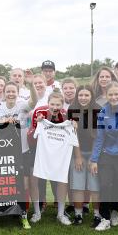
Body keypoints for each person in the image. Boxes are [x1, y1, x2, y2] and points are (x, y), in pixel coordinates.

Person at [0, 81, 34, 229]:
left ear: (17, 92)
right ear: (4, 93)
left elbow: (35, 101)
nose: (11, 94)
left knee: (24, 185)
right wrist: (3, 121)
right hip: (3, 153)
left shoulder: (23, 105)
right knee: (0, 184)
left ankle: (23, 214)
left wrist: (31, 85)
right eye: (8, 91)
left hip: (22, 151)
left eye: (13, 91)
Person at [90, 84, 118, 231]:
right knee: (105, 185)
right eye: (110, 95)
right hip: (107, 155)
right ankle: (105, 219)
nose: (114, 97)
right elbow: (100, 138)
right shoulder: (103, 112)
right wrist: (94, 159)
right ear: (106, 96)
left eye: (116, 94)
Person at [29, 91, 76, 226]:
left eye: (58, 104)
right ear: (47, 103)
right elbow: (31, 137)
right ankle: (37, 212)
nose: (55, 107)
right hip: (38, 151)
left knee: (62, 180)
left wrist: (74, 128)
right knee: (34, 180)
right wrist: (37, 124)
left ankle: (60, 214)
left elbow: (72, 137)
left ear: (62, 105)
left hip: (59, 153)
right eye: (52, 104)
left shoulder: (66, 115)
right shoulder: (39, 112)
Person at [67, 85, 101, 226]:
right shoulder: (72, 109)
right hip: (78, 151)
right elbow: (72, 135)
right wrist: (78, 156)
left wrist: (93, 158)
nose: (83, 98)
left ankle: (97, 215)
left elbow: (98, 136)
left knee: (95, 185)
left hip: (95, 152)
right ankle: (78, 214)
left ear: (91, 96)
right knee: (78, 185)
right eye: (81, 95)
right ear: (77, 96)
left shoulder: (98, 109)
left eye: (86, 95)